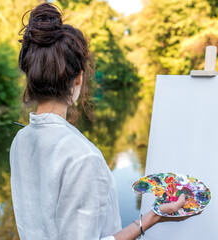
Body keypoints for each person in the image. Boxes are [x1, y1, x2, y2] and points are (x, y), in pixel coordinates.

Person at [10, 3, 191, 240]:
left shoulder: (20, 140)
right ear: (78, 79)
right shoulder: (83, 157)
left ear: (31, 80)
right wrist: (153, 216)